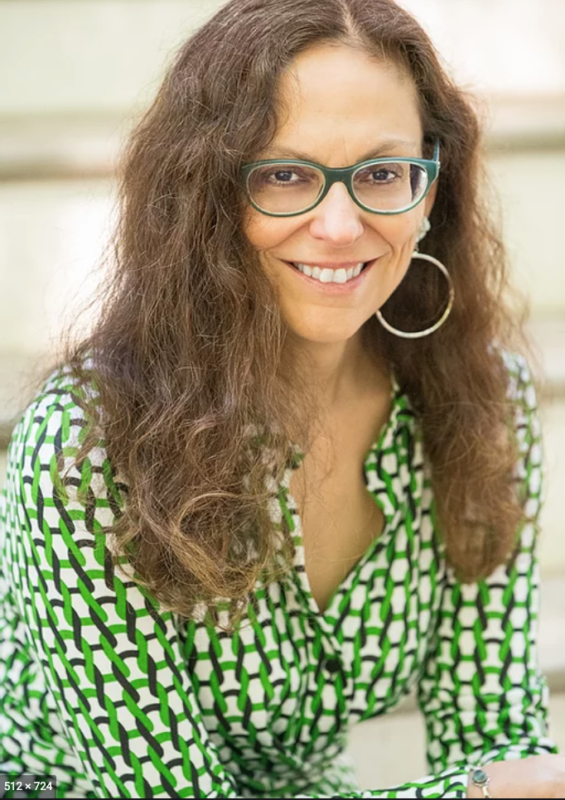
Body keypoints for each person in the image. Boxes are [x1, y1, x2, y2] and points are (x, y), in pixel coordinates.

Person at [1, 0, 564, 796]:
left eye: (380, 173)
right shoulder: (84, 448)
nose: (338, 226)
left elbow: (497, 735)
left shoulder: (479, 401)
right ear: (205, 195)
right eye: (283, 175)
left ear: (429, 188)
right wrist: (475, 792)